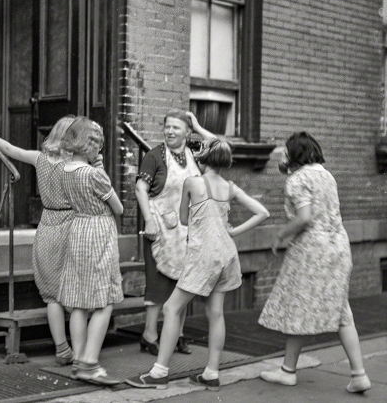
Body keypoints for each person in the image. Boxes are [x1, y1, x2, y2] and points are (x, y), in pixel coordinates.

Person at [127, 138, 270, 390]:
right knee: (216, 313)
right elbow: (262, 212)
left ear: (202, 158)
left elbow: (183, 218)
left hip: (204, 254)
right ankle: (211, 373)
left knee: (171, 309)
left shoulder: (193, 182)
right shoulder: (230, 187)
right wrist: (233, 231)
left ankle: (159, 373)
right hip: (227, 253)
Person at [258, 132, 372, 394]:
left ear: (295, 154)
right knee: (341, 310)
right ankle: (358, 374)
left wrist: (280, 233)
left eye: (286, 152)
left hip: (311, 250)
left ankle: (288, 371)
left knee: (298, 305)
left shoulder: (297, 179)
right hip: (338, 245)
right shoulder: (326, 175)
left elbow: (304, 217)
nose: (283, 155)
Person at [0, 115, 76, 366]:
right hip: (73, 224)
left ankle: (62, 349)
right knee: (75, 289)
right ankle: (82, 347)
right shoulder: (78, 164)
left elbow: (7, 149)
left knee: (51, 295)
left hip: (47, 225)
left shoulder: (40, 159)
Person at [134, 110, 216, 357]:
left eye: (176, 128)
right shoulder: (154, 156)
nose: (170, 131)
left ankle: (177, 335)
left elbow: (219, 146)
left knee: (184, 284)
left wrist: (198, 126)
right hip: (159, 228)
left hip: (188, 231)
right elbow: (140, 188)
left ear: (187, 132)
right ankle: (149, 335)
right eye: (167, 127)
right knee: (158, 287)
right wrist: (148, 220)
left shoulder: (194, 153)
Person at [56, 117, 124, 386]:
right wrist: (102, 172)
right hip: (98, 234)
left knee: (78, 302)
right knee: (104, 300)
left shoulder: (64, 170)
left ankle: (78, 360)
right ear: (89, 145)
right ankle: (90, 362)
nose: (99, 148)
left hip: (77, 230)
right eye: (96, 143)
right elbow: (117, 208)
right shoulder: (95, 174)